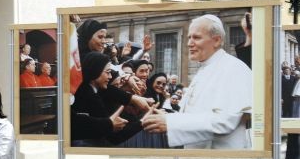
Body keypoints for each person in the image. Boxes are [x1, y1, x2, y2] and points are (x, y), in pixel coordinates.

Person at [142, 14, 252, 149]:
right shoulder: (204, 69)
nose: (189, 43)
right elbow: (197, 114)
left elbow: (224, 121)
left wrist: (171, 122)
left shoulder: (234, 68)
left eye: (196, 37)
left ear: (216, 40)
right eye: (189, 37)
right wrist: (167, 116)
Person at [71, 52, 147, 146]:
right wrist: (143, 122)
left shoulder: (93, 91)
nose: (110, 77)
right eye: (107, 72)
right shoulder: (89, 96)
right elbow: (113, 137)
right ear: (96, 71)